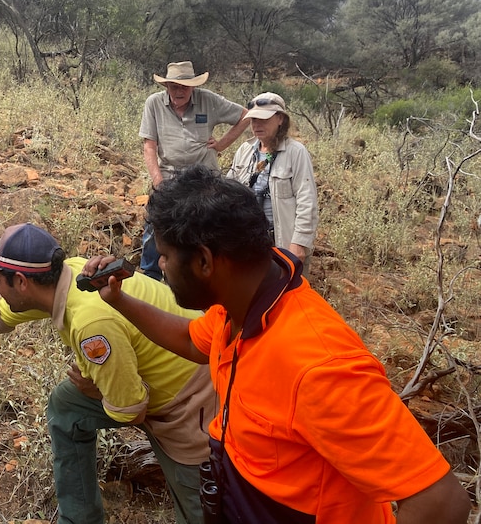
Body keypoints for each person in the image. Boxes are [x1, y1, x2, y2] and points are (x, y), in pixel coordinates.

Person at [85, 166, 471, 524]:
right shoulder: (237, 303)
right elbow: (192, 340)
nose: (162, 267)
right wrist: (118, 300)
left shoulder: (318, 365)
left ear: (204, 261)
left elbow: (441, 502)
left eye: (165, 257)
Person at [0, 223, 216, 524]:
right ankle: (79, 518)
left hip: (192, 398)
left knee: (200, 510)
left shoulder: (91, 324)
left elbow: (132, 410)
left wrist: (98, 391)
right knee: (68, 404)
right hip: (151, 375)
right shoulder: (66, 276)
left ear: (22, 283)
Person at [139, 61, 249, 280]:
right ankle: (150, 274)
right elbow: (149, 145)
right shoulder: (153, 103)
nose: (179, 91)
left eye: (185, 86)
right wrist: (158, 180)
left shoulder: (208, 100)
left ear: (193, 87)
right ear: (166, 86)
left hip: (203, 176)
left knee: (206, 225)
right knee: (156, 223)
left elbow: (245, 116)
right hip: (169, 174)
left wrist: (222, 144)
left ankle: (201, 277)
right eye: (174, 86)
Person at [226, 92, 318, 275]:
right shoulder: (245, 150)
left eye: (263, 119)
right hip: (249, 242)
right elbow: (229, 192)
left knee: (288, 297)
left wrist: (298, 244)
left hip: (283, 243)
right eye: (253, 120)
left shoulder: (296, 152)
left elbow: (307, 200)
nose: (257, 125)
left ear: (280, 119)